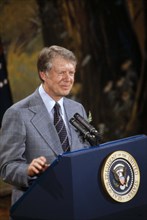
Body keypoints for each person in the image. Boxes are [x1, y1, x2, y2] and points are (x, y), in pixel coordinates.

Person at [0, 45, 90, 207]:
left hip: (78, 202)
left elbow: (85, 151)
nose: (68, 78)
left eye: (71, 73)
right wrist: (28, 170)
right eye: (61, 72)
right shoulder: (17, 113)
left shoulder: (77, 109)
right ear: (44, 74)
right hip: (39, 206)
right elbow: (7, 168)